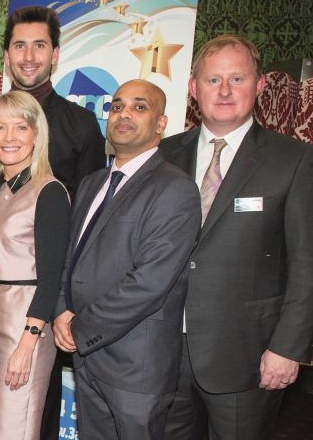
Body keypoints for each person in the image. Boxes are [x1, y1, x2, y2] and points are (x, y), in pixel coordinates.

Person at [0, 5, 106, 439]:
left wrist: (52, 315)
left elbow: (83, 231)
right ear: (6, 54)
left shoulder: (81, 127)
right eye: (19, 45)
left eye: (38, 45)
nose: (28, 55)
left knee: (29, 420)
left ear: (55, 54)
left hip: (40, 307)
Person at [160, 34, 313, 440]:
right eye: (212, 81)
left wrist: (288, 348)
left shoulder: (294, 160)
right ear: (193, 89)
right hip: (165, 352)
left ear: (260, 85)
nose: (224, 91)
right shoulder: (164, 154)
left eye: (237, 79)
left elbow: (306, 263)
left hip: (248, 356)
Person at [53, 79, 201, 440]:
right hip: (88, 358)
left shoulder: (174, 188)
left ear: (161, 123)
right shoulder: (93, 182)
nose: (123, 114)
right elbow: (68, 256)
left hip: (137, 369)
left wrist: (80, 326)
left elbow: (149, 282)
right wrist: (60, 309)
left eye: (139, 107)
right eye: (117, 106)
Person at [0, 91, 70, 439]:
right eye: (0, 127)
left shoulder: (48, 192)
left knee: (12, 429)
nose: (9, 138)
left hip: (23, 328)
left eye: (20, 127)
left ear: (36, 135)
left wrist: (27, 346)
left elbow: (51, 279)